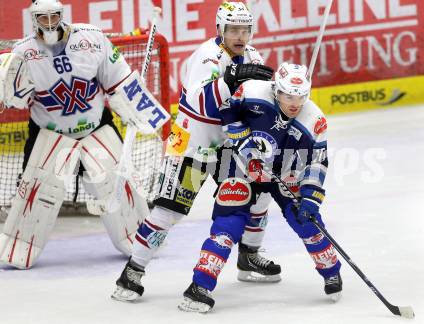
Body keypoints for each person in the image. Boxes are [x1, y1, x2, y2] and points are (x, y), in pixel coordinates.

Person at [111, 1, 281, 302]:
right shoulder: (206, 57)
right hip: (192, 146)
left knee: (258, 194)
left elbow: (255, 102)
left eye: (246, 29)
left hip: (229, 146)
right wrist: (230, 81)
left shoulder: (253, 55)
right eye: (233, 30)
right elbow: (203, 105)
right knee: (169, 210)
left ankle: (249, 256)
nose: (240, 36)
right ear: (220, 29)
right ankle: (132, 271)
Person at [0, 0, 167, 269]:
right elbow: (11, 97)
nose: (50, 22)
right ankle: (19, 246)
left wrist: (138, 109)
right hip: (48, 134)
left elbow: (119, 78)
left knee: (118, 185)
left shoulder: (91, 38)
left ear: (62, 14)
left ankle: (139, 239)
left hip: (96, 127)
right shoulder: (22, 54)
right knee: (34, 194)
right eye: (43, 17)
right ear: (34, 19)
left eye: (54, 15)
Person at [178, 62, 343, 313]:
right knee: (228, 223)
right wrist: (244, 143)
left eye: (300, 96)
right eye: (288, 95)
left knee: (307, 220)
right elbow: (227, 111)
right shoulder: (253, 91)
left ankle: (331, 272)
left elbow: (317, 163)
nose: (294, 103)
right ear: (276, 90)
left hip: (287, 169)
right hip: (241, 166)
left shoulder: (315, 120)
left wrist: (310, 199)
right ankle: (199, 286)